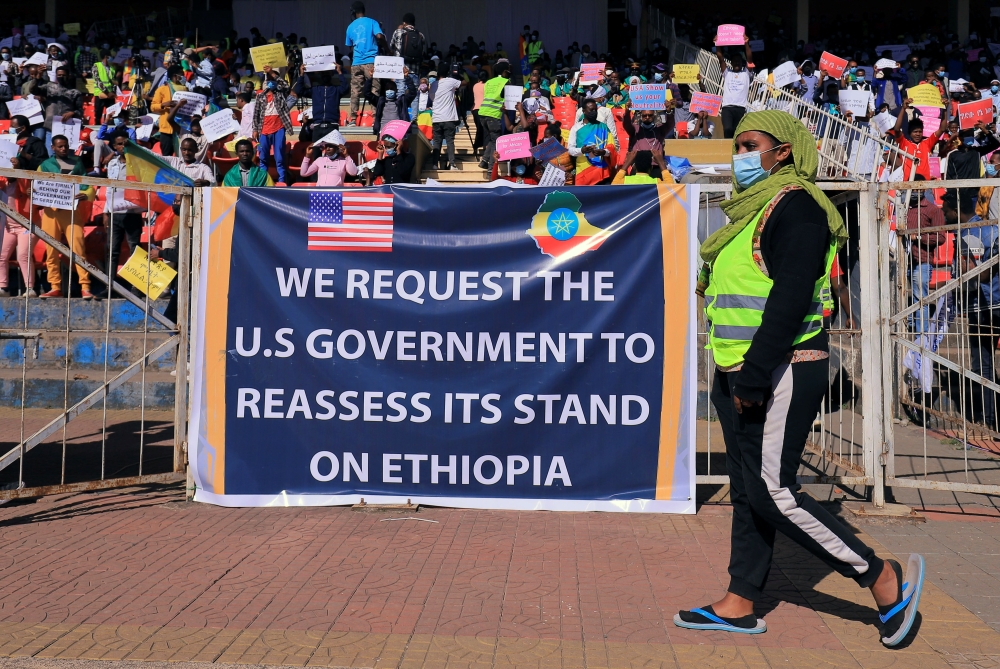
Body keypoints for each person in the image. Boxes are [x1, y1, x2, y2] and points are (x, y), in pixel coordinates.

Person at [681, 110, 923, 649]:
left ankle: (880, 576)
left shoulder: (801, 209)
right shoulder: (751, 209)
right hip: (739, 367)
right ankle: (740, 602)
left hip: (781, 367)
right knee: (747, 492)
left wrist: (752, 378)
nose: (739, 154)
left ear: (783, 151)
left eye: (750, 144)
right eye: (736, 144)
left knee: (774, 492)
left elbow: (789, 300)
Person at [949, 190, 999, 429]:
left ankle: (987, 421)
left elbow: (966, 271)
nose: (944, 214)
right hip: (996, 301)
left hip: (981, 305)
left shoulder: (968, 231)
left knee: (982, 364)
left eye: (946, 209)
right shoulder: (993, 228)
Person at [37, 135, 95, 299]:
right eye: (60, 146)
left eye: (65, 146)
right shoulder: (45, 165)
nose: (63, 149)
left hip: (71, 212)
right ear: (53, 147)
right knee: (51, 250)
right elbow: (36, 185)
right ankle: (55, 286)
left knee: (78, 248)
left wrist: (85, 194)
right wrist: (32, 192)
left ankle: (85, 286)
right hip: (51, 213)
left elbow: (86, 184)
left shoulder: (77, 163)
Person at [901, 175, 946, 335]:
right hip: (904, 261)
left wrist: (919, 237)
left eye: (917, 187)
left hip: (922, 260)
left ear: (924, 188)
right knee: (906, 296)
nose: (914, 191)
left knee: (920, 298)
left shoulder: (933, 210)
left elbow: (940, 237)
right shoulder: (903, 208)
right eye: (911, 187)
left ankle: (922, 336)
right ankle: (912, 329)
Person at [345, 1, 386, 125]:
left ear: (354, 12)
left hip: (356, 62)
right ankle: (375, 118)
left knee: (355, 91)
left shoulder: (350, 26)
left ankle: (352, 118)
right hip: (371, 62)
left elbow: (350, 47)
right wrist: (386, 47)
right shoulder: (372, 22)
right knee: (374, 89)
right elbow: (379, 36)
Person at [252, 64, 293, 185]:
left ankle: (281, 181)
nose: (271, 81)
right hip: (263, 130)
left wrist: (273, 73)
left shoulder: (280, 94)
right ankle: (263, 181)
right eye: (268, 79)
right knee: (263, 158)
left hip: (278, 128)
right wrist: (255, 129)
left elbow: (286, 86)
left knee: (279, 157)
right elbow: (256, 114)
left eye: (272, 79)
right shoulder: (261, 96)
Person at [887, 98, 947, 180]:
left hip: (924, 184)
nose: (918, 134)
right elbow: (897, 129)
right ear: (910, 133)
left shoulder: (927, 143)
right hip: (907, 185)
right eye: (915, 132)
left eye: (920, 132)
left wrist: (945, 110)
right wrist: (903, 109)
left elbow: (942, 129)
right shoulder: (904, 143)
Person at [30, 65, 83, 152]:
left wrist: (72, 113)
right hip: (50, 127)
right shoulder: (49, 87)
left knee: (66, 153)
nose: (61, 77)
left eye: (63, 75)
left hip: (67, 128)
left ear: (69, 76)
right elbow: (33, 90)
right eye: (59, 75)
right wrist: (37, 77)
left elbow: (80, 111)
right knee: (51, 154)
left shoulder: (75, 92)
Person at [568, 98, 618, 185]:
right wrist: (582, 150)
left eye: (595, 110)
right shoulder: (575, 128)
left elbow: (612, 148)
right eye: (591, 110)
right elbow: (570, 150)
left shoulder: (603, 127)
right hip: (583, 171)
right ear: (584, 111)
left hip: (602, 171)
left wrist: (603, 152)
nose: (594, 112)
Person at [714, 33, 754, 138]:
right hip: (727, 108)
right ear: (731, 63)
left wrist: (746, 44)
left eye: (739, 61)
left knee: (738, 134)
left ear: (742, 63)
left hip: (740, 108)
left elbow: (750, 59)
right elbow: (720, 58)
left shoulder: (746, 73)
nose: (736, 63)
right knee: (728, 130)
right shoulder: (727, 73)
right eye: (734, 61)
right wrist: (717, 44)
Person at [429, 65, 465, 171]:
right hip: (448, 118)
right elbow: (465, 83)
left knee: (437, 142)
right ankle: (452, 164)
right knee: (450, 141)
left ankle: (435, 164)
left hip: (436, 118)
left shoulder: (433, 85)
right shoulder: (450, 81)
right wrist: (459, 75)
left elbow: (432, 98)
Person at [478, 59, 510, 171]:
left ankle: (484, 161)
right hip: (493, 114)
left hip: (482, 113)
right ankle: (491, 170)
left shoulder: (489, 82)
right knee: (496, 142)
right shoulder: (506, 82)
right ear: (505, 71)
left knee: (492, 140)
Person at [150, 66, 187, 156]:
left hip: (180, 128)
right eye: (181, 74)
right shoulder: (162, 89)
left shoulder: (185, 89)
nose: (183, 76)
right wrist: (164, 104)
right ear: (175, 75)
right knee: (167, 157)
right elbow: (153, 107)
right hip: (167, 129)